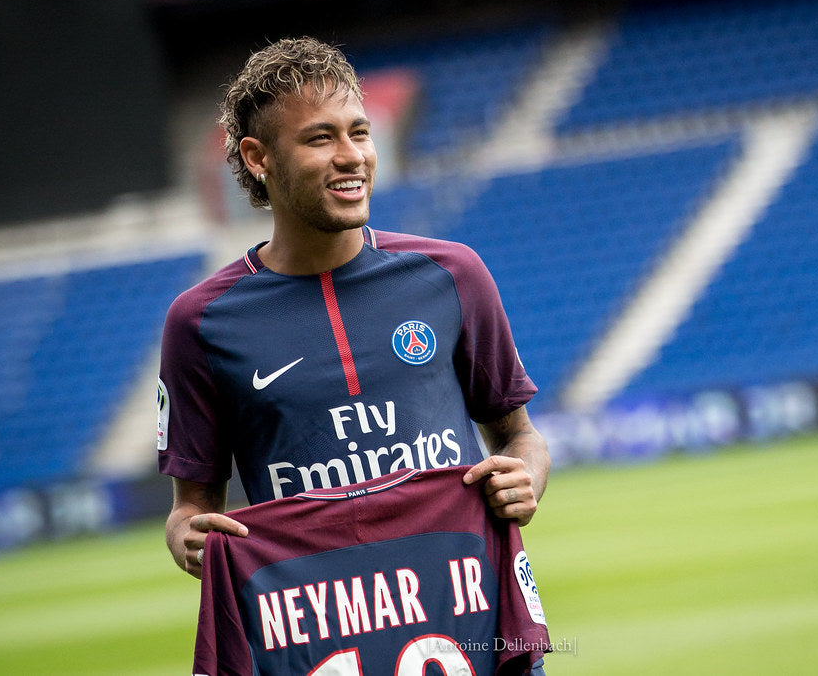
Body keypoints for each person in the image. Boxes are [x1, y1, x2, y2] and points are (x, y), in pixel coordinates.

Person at [157, 36, 550, 579]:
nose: (352, 155)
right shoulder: (199, 322)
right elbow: (191, 506)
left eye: (360, 132)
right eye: (320, 138)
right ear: (257, 157)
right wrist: (189, 537)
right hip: (319, 625)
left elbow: (519, 436)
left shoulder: (452, 274)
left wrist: (523, 476)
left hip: (468, 603)